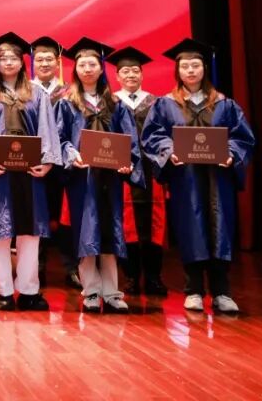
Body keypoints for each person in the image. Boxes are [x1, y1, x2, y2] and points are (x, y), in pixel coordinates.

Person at [141, 38, 256, 314]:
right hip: (186, 178)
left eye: (195, 65)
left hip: (218, 177)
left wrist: (231, 154)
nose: (191, 70)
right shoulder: (166, 104)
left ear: (205, 68)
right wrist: (169, 151)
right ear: (177, 71)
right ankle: (193, 290)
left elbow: (242, 137)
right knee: (190, 228)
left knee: (220, 228)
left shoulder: (225, 104)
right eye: (185, 66)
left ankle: (222, 291)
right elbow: (153, 135)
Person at [0, 33, 61, 311]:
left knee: (30, 232)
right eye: (3, 59)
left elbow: (47, 128)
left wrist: (47, 162)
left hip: (30, 172)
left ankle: (29, 290)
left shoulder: (37, 93)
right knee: (1, 232)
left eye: (14, 58)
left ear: (23, 63)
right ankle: (5, 292)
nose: (9, 62)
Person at [56, 37, 143, 313]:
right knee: (86, 233)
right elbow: (59, 139)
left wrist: (127, 163)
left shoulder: (115, 104)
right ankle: (91, 291)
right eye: (82, 64)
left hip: (110, 179)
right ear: (75, 69)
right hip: (82, 180)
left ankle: (113, 292)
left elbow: (129, 140)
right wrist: (72, 155)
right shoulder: (67, 103)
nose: (87, 69)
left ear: (101, 67)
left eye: (92, 64)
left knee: (109, 233)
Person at [106, 46, 167, 297]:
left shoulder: (157, 102)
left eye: (135, 71)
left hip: (152, 173)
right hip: (123, 172)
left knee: (155, 224)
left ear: (142, 74)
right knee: (126, 224)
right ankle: (131, 277)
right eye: (125, 71)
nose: (130, 75)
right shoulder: (111, 102)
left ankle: (153, 277)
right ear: (117, 76)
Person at [31, 35, 79, 290]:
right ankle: (36, 268)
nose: (44, 63)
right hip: (34, 163)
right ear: (33, 62)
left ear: (57, 62)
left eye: (49, 59)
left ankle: (72, 268)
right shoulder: (26, 91)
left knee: (65, 217)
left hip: (63, 166)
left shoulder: (70, 92)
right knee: (36, 215)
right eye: (39, 59)